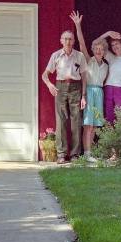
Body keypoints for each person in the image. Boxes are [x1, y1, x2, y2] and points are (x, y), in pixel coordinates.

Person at [41, 29, 87, 164]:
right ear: (61, 41)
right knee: (60, 121)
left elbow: (84, 77)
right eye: (65, 39)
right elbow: (45, 75)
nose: (68, 41)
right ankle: (61, 154)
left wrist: (83, 95)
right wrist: (50, 85)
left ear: (73, 41)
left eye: (70, 39)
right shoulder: (56, 55)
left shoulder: (79, 56)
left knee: (76, 120)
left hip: (75, 87)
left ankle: (75, 154)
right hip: (60, 87)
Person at [70, 10, 108, 159]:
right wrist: (78, 25)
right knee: (88, 125)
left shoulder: (106, 66)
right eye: (96, 49)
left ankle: (90, 153)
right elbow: (82, 43)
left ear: (104, 51)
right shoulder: (88, 59)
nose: (99, 51)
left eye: (101, 49)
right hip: (89, 92)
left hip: (99, 93)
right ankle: (86, 153)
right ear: (93, 50)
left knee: (96, 125)